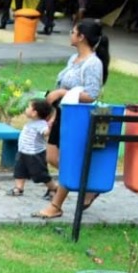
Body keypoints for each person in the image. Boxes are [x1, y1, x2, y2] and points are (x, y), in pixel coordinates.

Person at [34, 19, 110, 220]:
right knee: (52, 157)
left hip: (77, 118)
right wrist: (53, 116)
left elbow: (92, 94)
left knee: (68, 161)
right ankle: (88, 185)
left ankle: (56, 205)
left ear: (81, 36)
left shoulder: (93, 63)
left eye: (73, 31)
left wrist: (61, 92)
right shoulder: (73, 59)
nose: (70, 34)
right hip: (63, 114)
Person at [10, 98, 54, 198]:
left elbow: (46, 132)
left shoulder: (41, 124)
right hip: (23, 152)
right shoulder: (31, 123)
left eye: (28, 107)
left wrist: (50, 127)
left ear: (34, 113)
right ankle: (19, 187)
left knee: (40, 174)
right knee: (19, 171)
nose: (26, 109)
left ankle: (53, 188)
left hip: (35, 154)